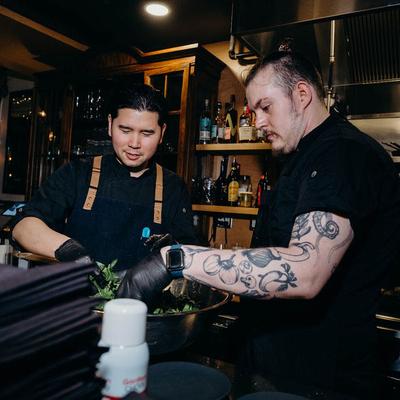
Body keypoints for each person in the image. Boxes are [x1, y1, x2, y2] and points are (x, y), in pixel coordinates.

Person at [117, 51, 400, 399]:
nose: (259, 121)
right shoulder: (301, 156)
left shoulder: (341, 154)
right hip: (277, 365)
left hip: (319, 380)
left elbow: (305, 271)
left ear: (301, 94)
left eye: (266, 107)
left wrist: (176, 259)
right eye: (254, 111)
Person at [10, 83, 197, 270]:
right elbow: (23, 227)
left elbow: (189, 253)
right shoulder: (77, 174)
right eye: (125, 130)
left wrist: (171, 252)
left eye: (147, 133)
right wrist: (71, 252)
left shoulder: (173, 187)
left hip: (142, 299)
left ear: (162, 133)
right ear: (110, 124)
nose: (134, 143)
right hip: (78, 294)